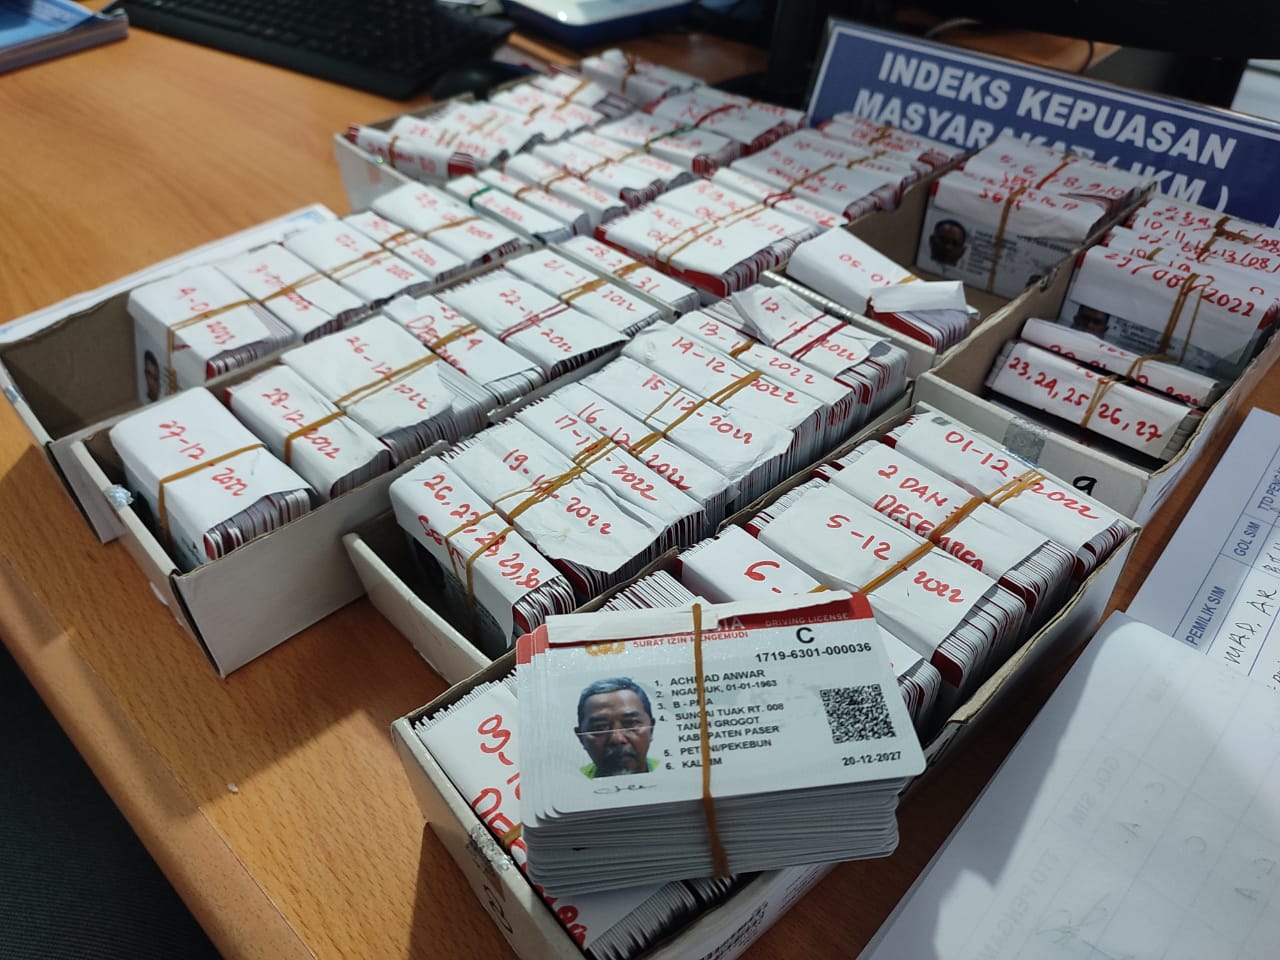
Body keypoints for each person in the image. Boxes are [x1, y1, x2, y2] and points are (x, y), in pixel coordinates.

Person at [575, 677, 658, 778]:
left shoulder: (669, 771)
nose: (617, 739)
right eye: (600, 728)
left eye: (631, 723)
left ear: (651, 729)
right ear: (581, 738)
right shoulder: (571, 780)